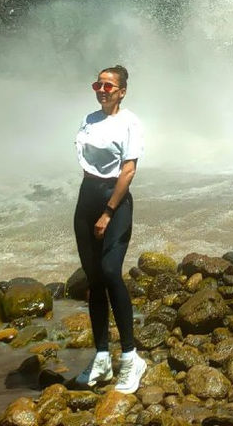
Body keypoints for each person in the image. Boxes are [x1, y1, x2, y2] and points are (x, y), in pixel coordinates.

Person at [73, 65, 147, 393]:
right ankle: (102, 357)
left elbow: (128, 172)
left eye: (108, 85)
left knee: (110, 271)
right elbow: (87, 165)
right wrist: (92, 209)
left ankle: (131, 358)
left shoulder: (130, 122)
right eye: (97, 84)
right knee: (94, 279)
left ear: (122, 91)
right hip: (86, 198)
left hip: (114, 201)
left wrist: (108, 211)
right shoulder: (88, 120)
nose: (102, 90)